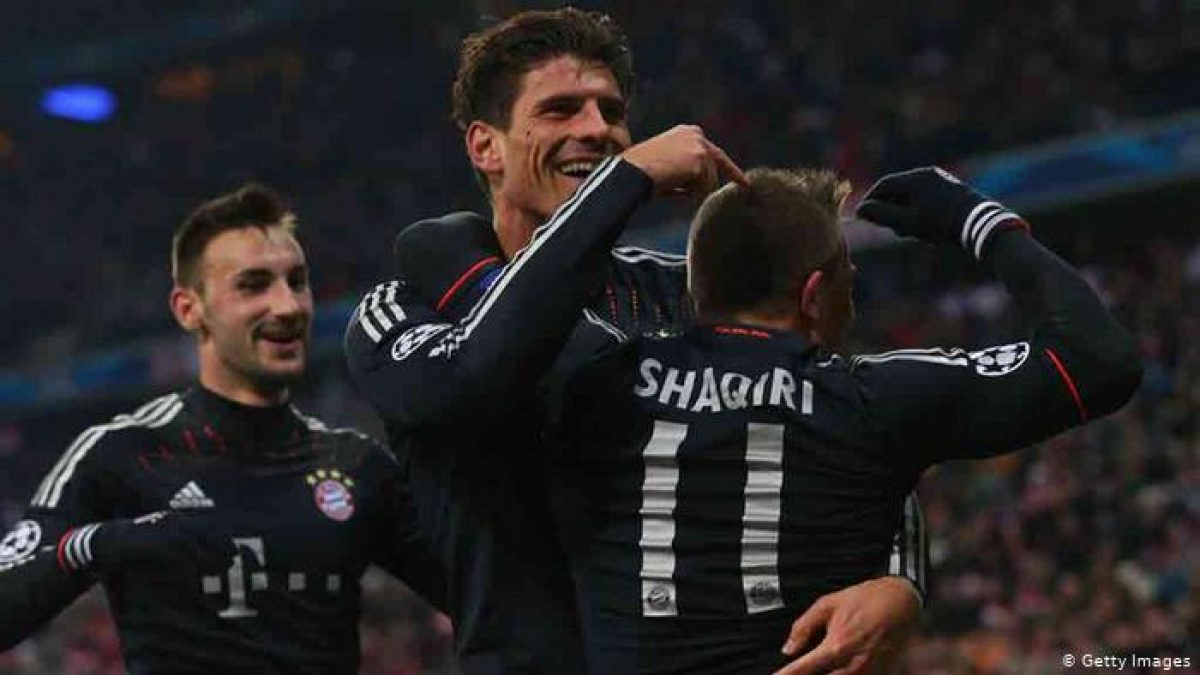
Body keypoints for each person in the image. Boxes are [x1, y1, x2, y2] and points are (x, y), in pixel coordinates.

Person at [345, 7, 925, 673]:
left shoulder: (684, 295)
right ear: (485, 147)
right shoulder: (404, 311)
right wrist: (622, 182)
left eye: (611, 111)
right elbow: (478, 372)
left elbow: (841, 418)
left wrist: (899, 576)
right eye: (560, 110)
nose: (597, 129)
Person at [537, 166, 1143, 673]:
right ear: (813, 295)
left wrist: (622, 181)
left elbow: (511, 300)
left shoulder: (595, 376)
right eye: (849, 283)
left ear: (695, 290)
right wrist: (979, 222)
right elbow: (1100, 360)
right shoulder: (871, 400)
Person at [0, 184, 443, 673]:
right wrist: (93, 546)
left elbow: (484, 594)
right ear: (189, 309)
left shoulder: (357, 465)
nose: (288, 306)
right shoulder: (122, 451)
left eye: (297, 282)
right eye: (254, 285)